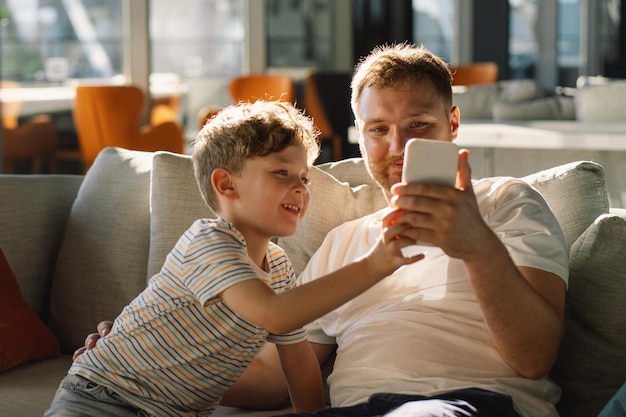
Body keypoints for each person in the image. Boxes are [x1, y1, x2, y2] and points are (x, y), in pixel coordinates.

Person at [78, 43, 569, 417]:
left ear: (453, 123)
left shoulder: (506, 202)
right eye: (378, 129)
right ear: (360, 133)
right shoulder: (345, 242)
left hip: (459, 405)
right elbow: (278, 375)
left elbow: (534, 358)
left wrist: (476, 245)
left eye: (418, 124)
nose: (397, 146)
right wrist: (147, 361)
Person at [45, 100, 423, 417]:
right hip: (104, 398)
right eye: (281, 172)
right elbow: (275, 313)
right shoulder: (208, 243)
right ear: (226, 184)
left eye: (304, 177)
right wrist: (375, 264)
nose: (299, 188)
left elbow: (298, 361)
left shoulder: (277, 269)